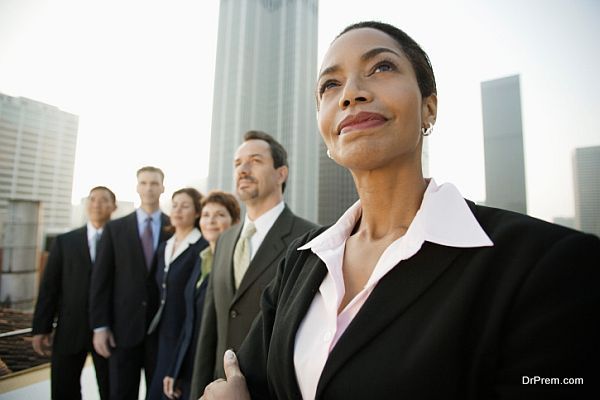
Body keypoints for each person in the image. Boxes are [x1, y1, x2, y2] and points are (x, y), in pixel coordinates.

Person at [200, 21, 600, 400]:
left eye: (381, 66)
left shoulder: (548, 264)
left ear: (429, 109)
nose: (351, 93)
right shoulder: (300, 263)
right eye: (330, 84)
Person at [189, 131, 318, 399]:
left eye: (255, 161)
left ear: (281, 173)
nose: (243, 170)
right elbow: (211, 325)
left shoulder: (310, 239)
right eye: (237, 163)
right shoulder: (224, 240)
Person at [90, 166, 171, 399]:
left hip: (161, 331)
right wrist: (100, 326)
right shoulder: (115, 228)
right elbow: (101, 281)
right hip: (122, 330)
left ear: (162, 187)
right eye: (144, 183)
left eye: (154, 183)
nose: (149, 188)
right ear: (137, 187)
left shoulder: (173, 226)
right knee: (121, 393)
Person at [31, 186, 116, 400]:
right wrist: (41, 328)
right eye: (92, 199)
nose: (97, 204)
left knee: (112, 391)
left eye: (104, 200)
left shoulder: (122, 242)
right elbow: (49, 287)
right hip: (69, 330)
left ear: (113, 206)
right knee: (63, 389)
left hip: (110, 331)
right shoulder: (65, 241)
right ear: (86, 204)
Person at [163, 191, 241, 400]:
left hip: (216, 369)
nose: (211, 221)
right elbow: (189, 322)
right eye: (206, 215)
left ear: (235, 222)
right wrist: (175, 368)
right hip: (191, 363)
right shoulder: (202, 259)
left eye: (219, 215)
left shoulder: (236, 264)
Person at [146, 188, 209, 400]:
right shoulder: (164, 246)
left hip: (183, 336)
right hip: (159, 335)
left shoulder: (201, 247)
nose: (178, 210)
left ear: (197, 212)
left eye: (185, 206)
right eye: (174, 205)